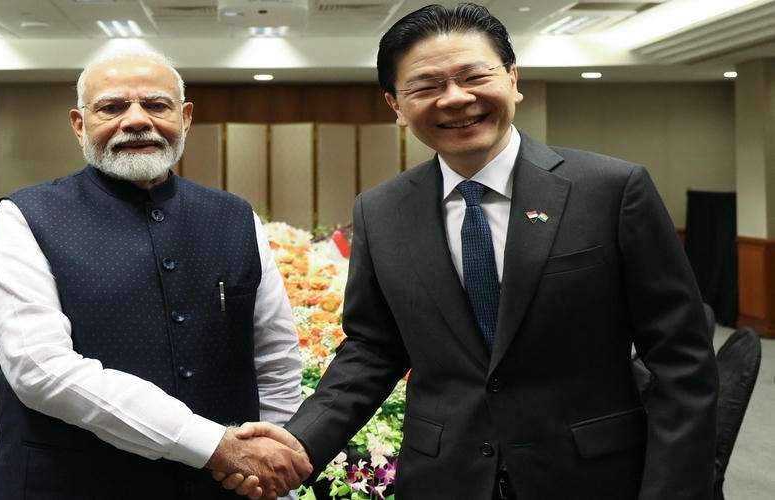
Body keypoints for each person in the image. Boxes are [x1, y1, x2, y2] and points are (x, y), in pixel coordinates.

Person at [225, 3, 718, 499]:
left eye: (473, 76)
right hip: (445, 478)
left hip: (594, 476)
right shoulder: (381, 210)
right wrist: (300, 442)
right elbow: (373, 349)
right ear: (396, 106)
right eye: (426, 86)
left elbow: (682, 357)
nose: (455, 98)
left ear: (512, 79)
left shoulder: (610, 190)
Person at [0, 47, 311, 499]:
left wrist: (270, 460)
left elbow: (275, 358)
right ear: (79, 124)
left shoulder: (235, 217)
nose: (137, 120)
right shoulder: (25, 216)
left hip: (223, 487)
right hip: (73, 482)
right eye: (112, 107)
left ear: (185, 117)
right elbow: (40, 368)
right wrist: (211, 444)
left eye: (157, 105)